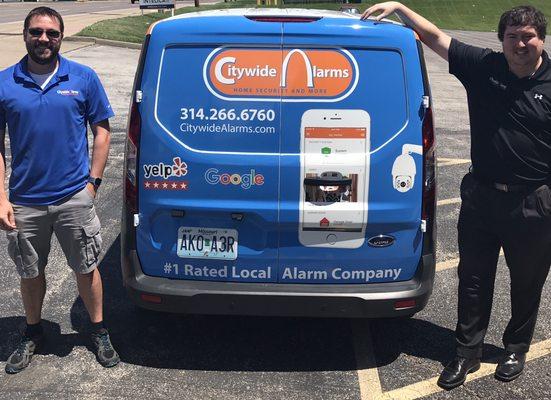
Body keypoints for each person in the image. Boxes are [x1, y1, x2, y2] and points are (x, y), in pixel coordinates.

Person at [362, 2, 551, 390]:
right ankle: (467, 352)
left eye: (527, 37)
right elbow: (435, 38)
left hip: (534, 201)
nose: (519, 44)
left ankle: (516, 347)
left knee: (528, 281)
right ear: (501, 40)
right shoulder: (484, 67)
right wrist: (400, 7)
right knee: (473, 279)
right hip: (482, 197)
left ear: (541, 40)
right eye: (512, 37)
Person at [0, 7, 119, 373]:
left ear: (61, 37)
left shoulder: (82, 77)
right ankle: (33, 331)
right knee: (29, 272)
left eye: (51, 33)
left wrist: (93, 184)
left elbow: (102, 130)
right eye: (36, 32)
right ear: (25, 35)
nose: (44, 39)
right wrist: (1, 198)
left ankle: (98, 330)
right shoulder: (5, 83)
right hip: (25, 202)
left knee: (86, 267)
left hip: (73, 199)